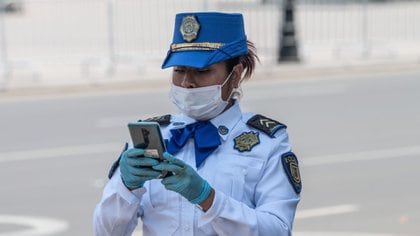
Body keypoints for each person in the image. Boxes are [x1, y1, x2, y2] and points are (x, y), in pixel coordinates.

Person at [93, 12, 301, 236]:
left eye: (202, 71)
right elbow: (105, 232)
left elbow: (278, 230)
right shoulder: (153, 138)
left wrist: (209, 199)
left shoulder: (267, 144)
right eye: (179, 70)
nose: (187, 83)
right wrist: (126, 188)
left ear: (235, 75)